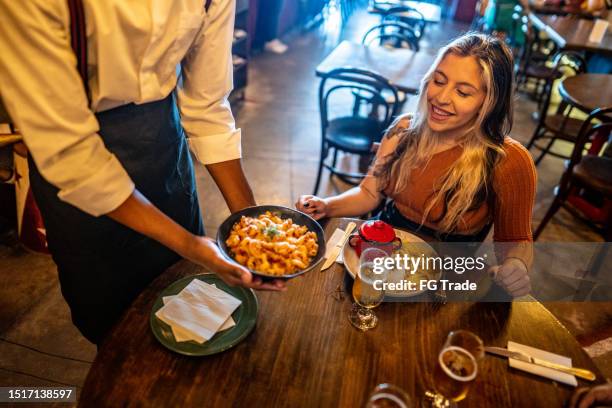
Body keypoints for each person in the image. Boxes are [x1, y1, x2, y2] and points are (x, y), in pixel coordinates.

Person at [0, 0, 285, 344]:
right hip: (77, 167)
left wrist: (253, 226)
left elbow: (206, 105)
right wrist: (191, 245)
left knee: (187, 300)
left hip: (162, 147)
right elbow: (69, 151)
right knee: (109, 322)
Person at [297, 33, 536, 298]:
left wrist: (515, 265)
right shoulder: (403, 130)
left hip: (443, 277)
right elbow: (368, 193)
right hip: (377, 252)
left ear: (488, 102)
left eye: (463, 92)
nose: (441, 97)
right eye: (439, 80)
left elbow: (515, 241)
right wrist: (327, 205)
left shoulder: (509, 160)